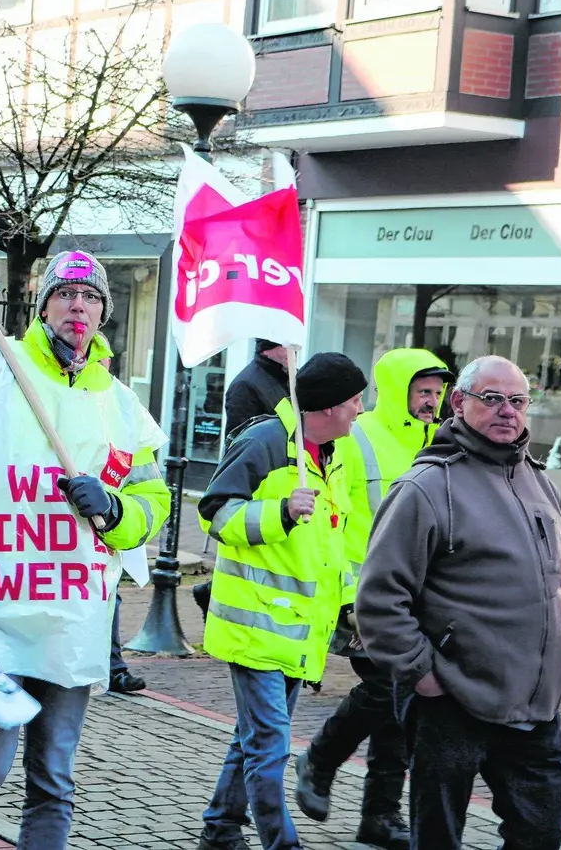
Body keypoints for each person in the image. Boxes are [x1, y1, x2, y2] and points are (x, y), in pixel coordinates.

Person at [0, 250, 170, 850]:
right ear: (44, 307)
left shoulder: (120, 405)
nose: (79, 306)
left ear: (104, 314)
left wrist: (115, 510)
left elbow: (154, 505)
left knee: (54, 776)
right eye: (66, 294)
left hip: (72, 615)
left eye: (91, 297)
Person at [357, 355, 561, 850]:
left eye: (517, 401)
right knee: (438, 837)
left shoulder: (540, 480)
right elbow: (380, 596)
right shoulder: (428, 487)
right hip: (453, 701)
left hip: (535, 704)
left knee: (541, 833)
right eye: (492, 398)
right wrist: (424, 674)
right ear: (459, 402)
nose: (507, 411)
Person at [195, 352, 367, 850]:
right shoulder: (268, 441)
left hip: (298, 633)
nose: (361, 409)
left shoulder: (331, 453)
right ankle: (281, 843)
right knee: (269, 747)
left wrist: (348, 604)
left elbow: (333, 544)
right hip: (256, 630)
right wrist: (280, 514)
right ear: (330, 406)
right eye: (355, 400)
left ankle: (221, 829)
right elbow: (215, 516)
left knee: (251, 741)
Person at [293, 348, 451, 850]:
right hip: (368, 594)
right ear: (396, 389)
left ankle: (379, 817)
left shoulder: (442, 443)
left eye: (436, 391)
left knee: (399, 707)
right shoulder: (359, 438)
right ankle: (320, 758)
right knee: (388, 688)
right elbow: (338, 516)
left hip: (421, 598)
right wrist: (349, 595)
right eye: (421, 391)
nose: (431, 401)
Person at [193, 339, 295, 619]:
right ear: (272, 349)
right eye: (290, 347)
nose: (295, 352)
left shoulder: (284, 379)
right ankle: (216, 595)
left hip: (278, 473)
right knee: (243, 549)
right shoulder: (246, 384)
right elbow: (243, 436)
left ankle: (213, 592)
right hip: (255, 476)